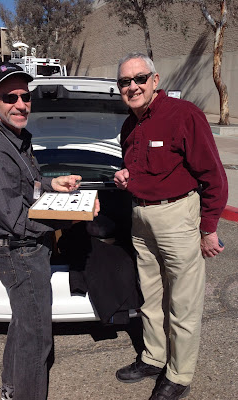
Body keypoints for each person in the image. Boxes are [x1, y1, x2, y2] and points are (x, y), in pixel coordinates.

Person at [0, 62, 99, 400]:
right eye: (9, 96)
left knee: (24, 329)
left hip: (28, 251)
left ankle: (12, 391)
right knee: (36, 336)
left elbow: (27, 186)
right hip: (19, 253)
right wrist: (72, 215)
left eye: (25, 96)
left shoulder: (16, 138)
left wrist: (50, 184)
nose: (21, 103)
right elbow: (15, 219)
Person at [113, 52, 228, 400]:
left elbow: (214, 177)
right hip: (141, 219)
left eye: (139, 79)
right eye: (125, 82)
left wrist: (208, 228)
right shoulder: (129, 125)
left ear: (155, 80)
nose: (132, 86)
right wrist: (124, 179)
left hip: (178, 217)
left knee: (183, 303)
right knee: (150, 298)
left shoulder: (184, 115)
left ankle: (179, 375)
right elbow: (140, 169)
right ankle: (153, 356)